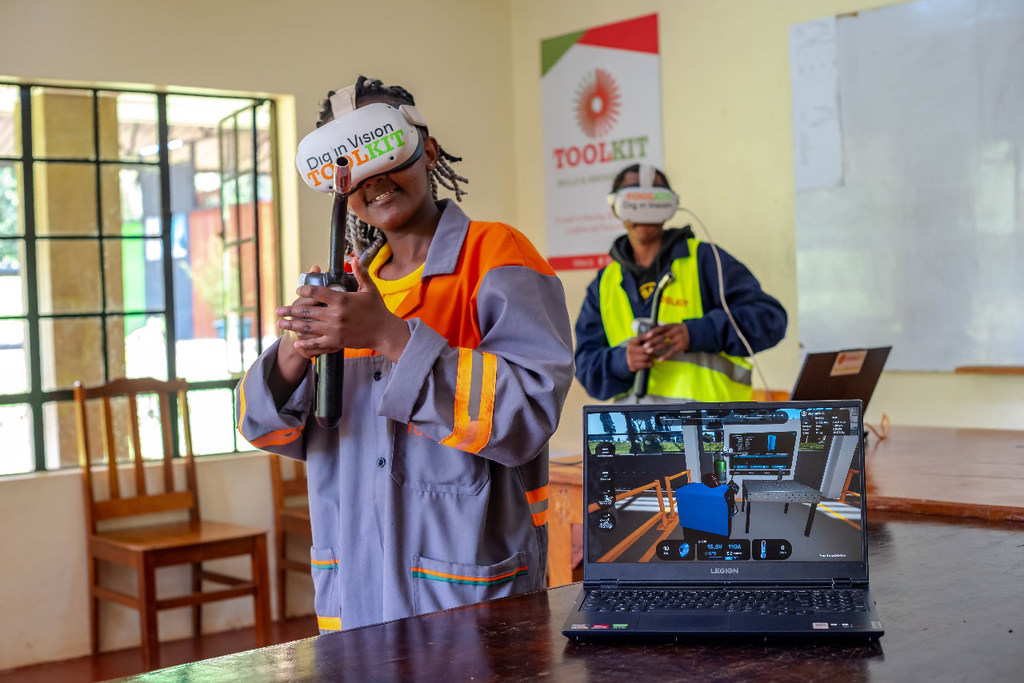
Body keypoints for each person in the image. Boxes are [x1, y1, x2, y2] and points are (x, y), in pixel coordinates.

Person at [235, 76, 574, 632]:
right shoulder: (343, 289)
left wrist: (393, 337)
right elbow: (262, 427)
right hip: (355, 591)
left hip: (465, 596)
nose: (374, 178)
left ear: (428, 150)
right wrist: (297, 353)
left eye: (382, 150)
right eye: (352, 167)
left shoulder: (496, 256)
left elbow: (528, 417)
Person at [574, 163, 787, 403]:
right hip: (638, 434)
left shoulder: (706, 261)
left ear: (670, 206)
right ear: (615, 208)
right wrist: (622, 361)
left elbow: (770, 319)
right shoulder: (604, 285)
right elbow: (584, 367)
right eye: (634, 202)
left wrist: (697, 332)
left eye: (653, 202)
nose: (644, 211)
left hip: (711, 428)